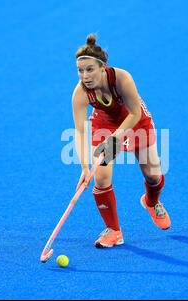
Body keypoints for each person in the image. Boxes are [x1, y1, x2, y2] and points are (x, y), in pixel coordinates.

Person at [72, 34, 170, 248]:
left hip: (135, 121)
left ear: (103, 67)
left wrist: (115, 139)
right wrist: (84, 168)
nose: (85, 76)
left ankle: (151, 202)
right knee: (101, 178)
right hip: (104, 124)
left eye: (90, 69)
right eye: (80, 70)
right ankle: (114, 230)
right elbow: (80, 131)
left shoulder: (122, 79)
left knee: (153, 176)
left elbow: (135, 113)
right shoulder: (80, 93)